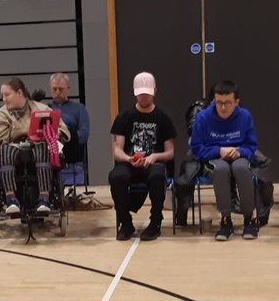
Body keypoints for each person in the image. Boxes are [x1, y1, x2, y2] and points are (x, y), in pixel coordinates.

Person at [0, 77, 69, 216]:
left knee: (43, 148)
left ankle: (44, 199)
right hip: (13, 147)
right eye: (2, 96)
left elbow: (64, 130)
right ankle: (11, 199)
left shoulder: (41, 109)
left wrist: (56, 131)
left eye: (7, 95)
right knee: (5, 150)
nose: (4, 99)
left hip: (37, 147)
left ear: (19, 93)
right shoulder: (2, 113)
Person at [189, 80, 260, 241]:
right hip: (213, 157)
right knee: (221, 170)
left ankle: (249, 218)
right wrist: (218, 150)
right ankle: (225, 219)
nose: (222, 107)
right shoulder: (203, 118)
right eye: (219, 102)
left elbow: (252, 145)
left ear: (236, 102)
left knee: (241, 169)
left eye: (227, 103)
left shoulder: (245, 116)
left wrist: (240, 151)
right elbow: (196, 148)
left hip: (239, 156)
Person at [108, 72, 175, 241]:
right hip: (129, 162)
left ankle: (155, 222)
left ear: (154, 91)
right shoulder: (124, 117)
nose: (144, 96)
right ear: (135, 92)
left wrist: (155, 156)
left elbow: (170, 152)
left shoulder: (163, 118)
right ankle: (126, 223)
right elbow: (117, 149)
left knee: (158, 176)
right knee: (117, 177)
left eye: (147, 93)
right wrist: (129, 159)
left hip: (153, 163)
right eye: (140, 93)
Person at [47, 73, 89, 165]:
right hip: (48, 151)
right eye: (54, 89)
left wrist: (64, 137)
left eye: (61, 89)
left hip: (71, 151)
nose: (57, 92)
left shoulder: (79, 108)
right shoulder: (45, 108)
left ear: (68, 89)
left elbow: (84, 134)